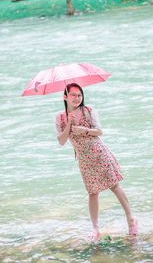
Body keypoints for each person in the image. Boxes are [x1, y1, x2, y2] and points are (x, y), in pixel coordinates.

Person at [55, 83, 138, 242]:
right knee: (92, 193)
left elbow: (99, 131)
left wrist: (84, 130)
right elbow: (61, 141)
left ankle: (131, 220)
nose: (77, 98)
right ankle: (95, 228)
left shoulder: (89, 111)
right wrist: (70, 124)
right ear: (65, 96)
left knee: (114, 186)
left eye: (79, 95)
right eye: (73, 95)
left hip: (99, 154)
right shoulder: (60, 118)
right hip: (84, 160)